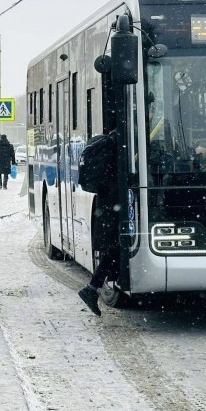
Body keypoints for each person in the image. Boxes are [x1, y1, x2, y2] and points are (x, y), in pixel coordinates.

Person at [77, 130, 119, 317]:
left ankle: (92, 289)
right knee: (115, 250)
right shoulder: (120, 141)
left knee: (114, 250)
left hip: (108, 204)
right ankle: (92, 289)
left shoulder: (112, 140)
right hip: (113, 205)